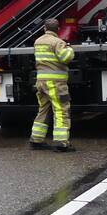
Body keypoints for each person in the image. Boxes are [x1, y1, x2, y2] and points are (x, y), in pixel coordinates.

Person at [30, 18, 75, 152]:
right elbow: (66, 57)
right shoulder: (58, 42)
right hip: (55, 83)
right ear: (58, 29)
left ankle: (36, 140)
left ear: (44, 28)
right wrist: (69, 48)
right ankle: (61, 143)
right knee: (61, 110)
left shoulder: (38, 42)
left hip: (41, 82)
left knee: (43, 109)